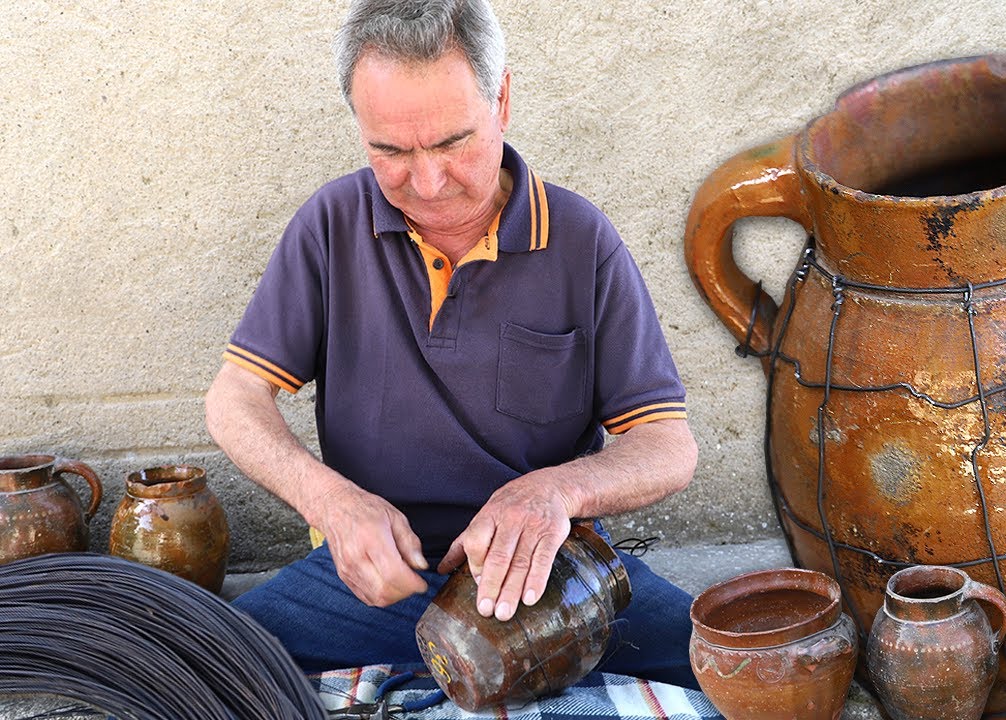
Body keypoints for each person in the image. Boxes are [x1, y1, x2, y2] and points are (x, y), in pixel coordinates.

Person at [204, 0, 699, 687]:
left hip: (544, 579)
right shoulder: (331, 224)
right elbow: (235, 398)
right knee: (202, 666)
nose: (428, 183)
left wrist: (554, 492)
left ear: (502, 101)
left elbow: (668, 446)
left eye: (452, 143)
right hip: (376, 582)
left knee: (734, 668)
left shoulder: (581, 240)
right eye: (391, 151)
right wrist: (329, 503)